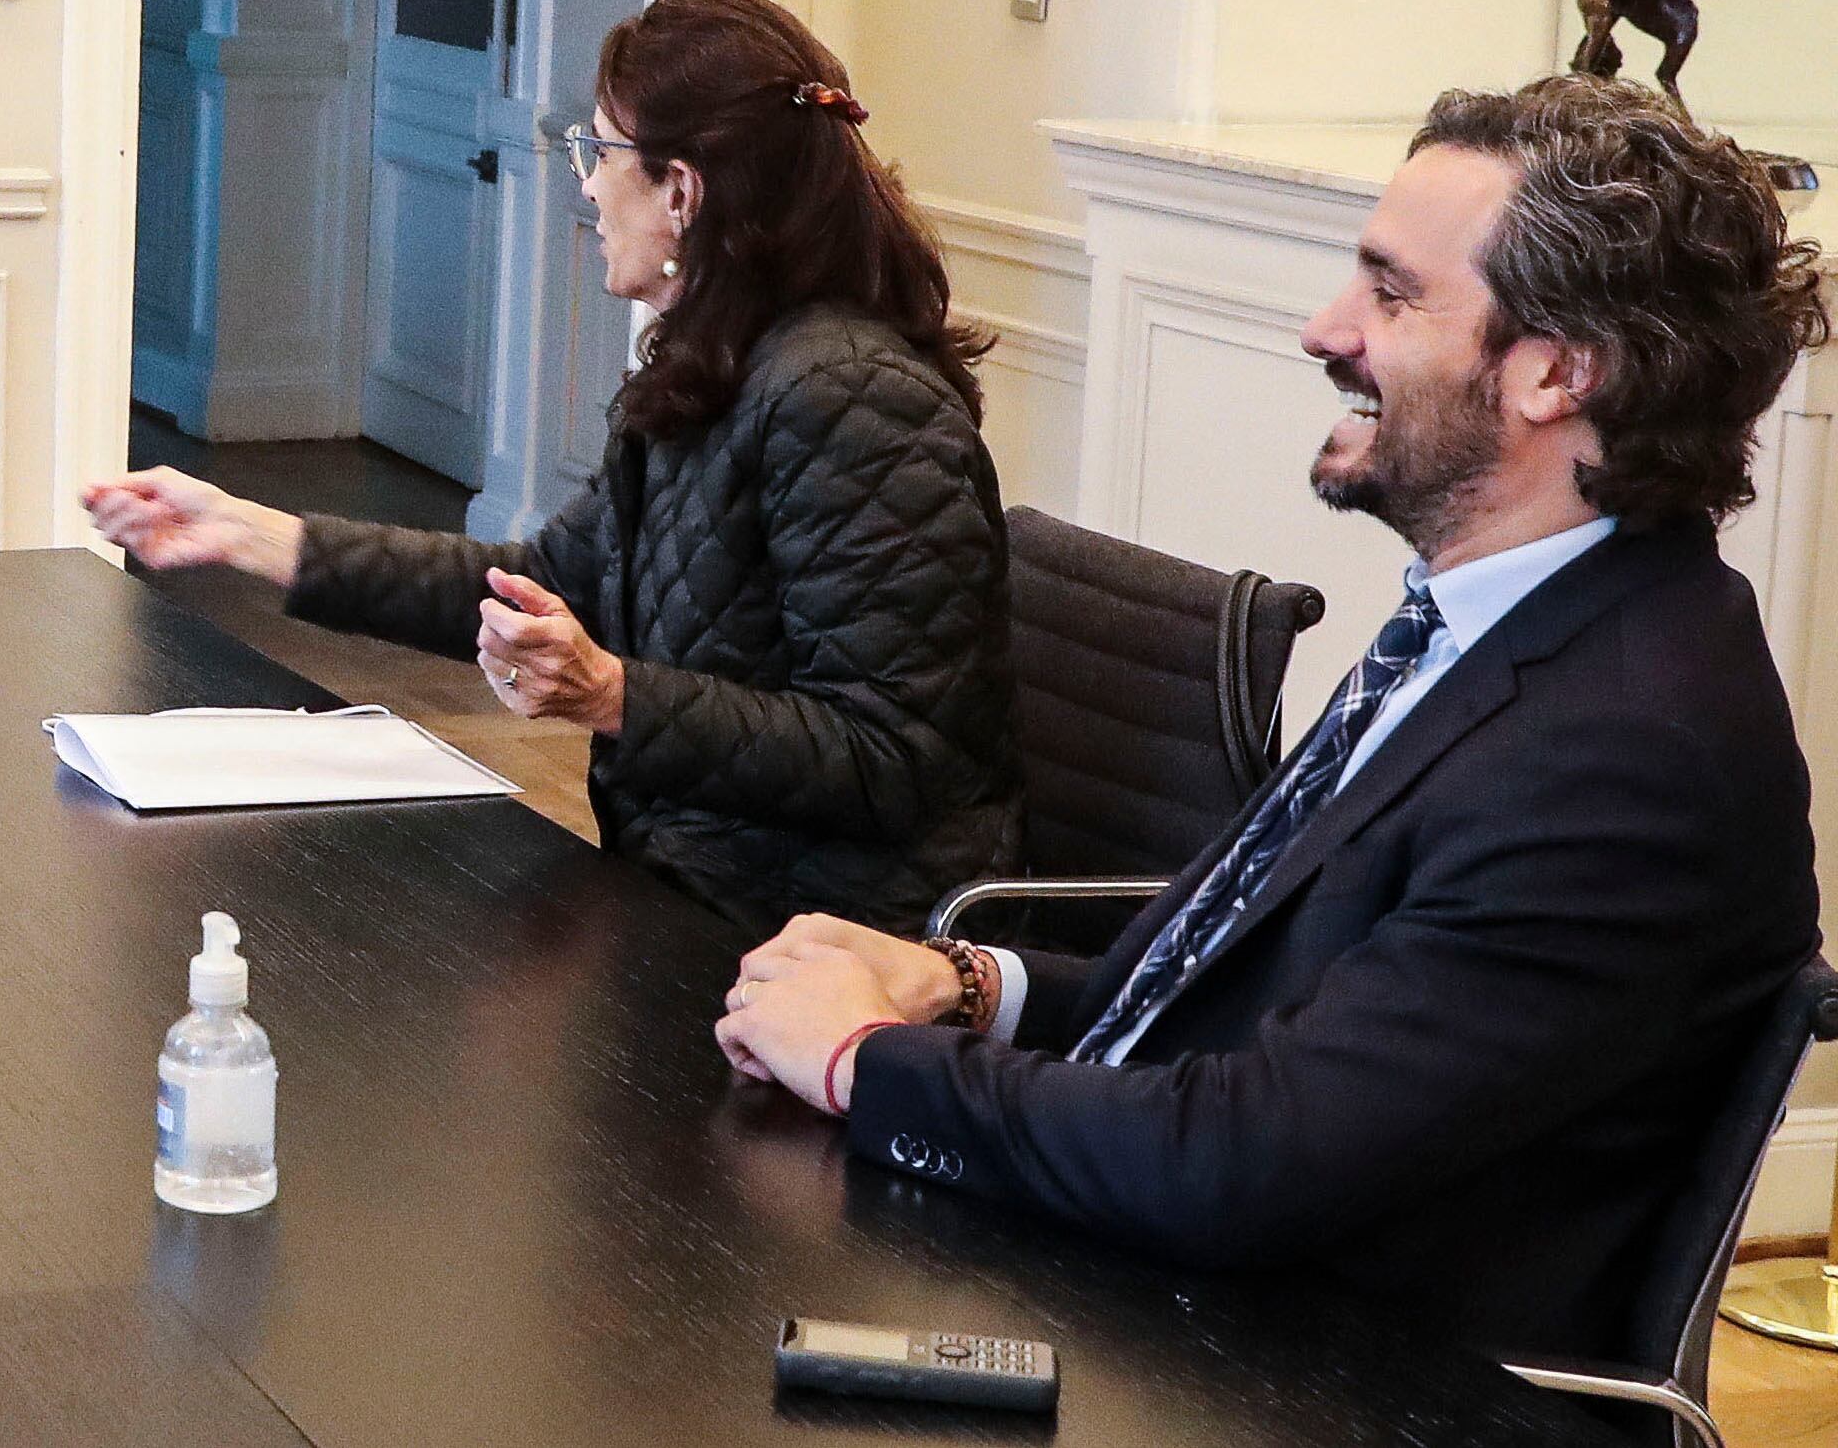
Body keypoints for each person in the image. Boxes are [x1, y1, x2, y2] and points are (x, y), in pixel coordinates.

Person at [714, 76, 1825, 1368]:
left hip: (1319, 1373)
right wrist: (970, 983)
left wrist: (861, 1061)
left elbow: (1244, 1160)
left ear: (1557, 371)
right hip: (1192, 1296)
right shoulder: (1503, 625)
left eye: (1392, 293)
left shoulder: (1629, 751)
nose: (1323, 328)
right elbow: (1242, 1005)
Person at [83, 0, 1018, 935]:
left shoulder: (855, 403)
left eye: (600, 151)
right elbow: (543, 583)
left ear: (682, 191)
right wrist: (246, 532)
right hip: (699, 889)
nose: (584, 181)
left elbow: (891, 757)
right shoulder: (713, 362)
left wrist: (615, 695)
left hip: (823, 944)